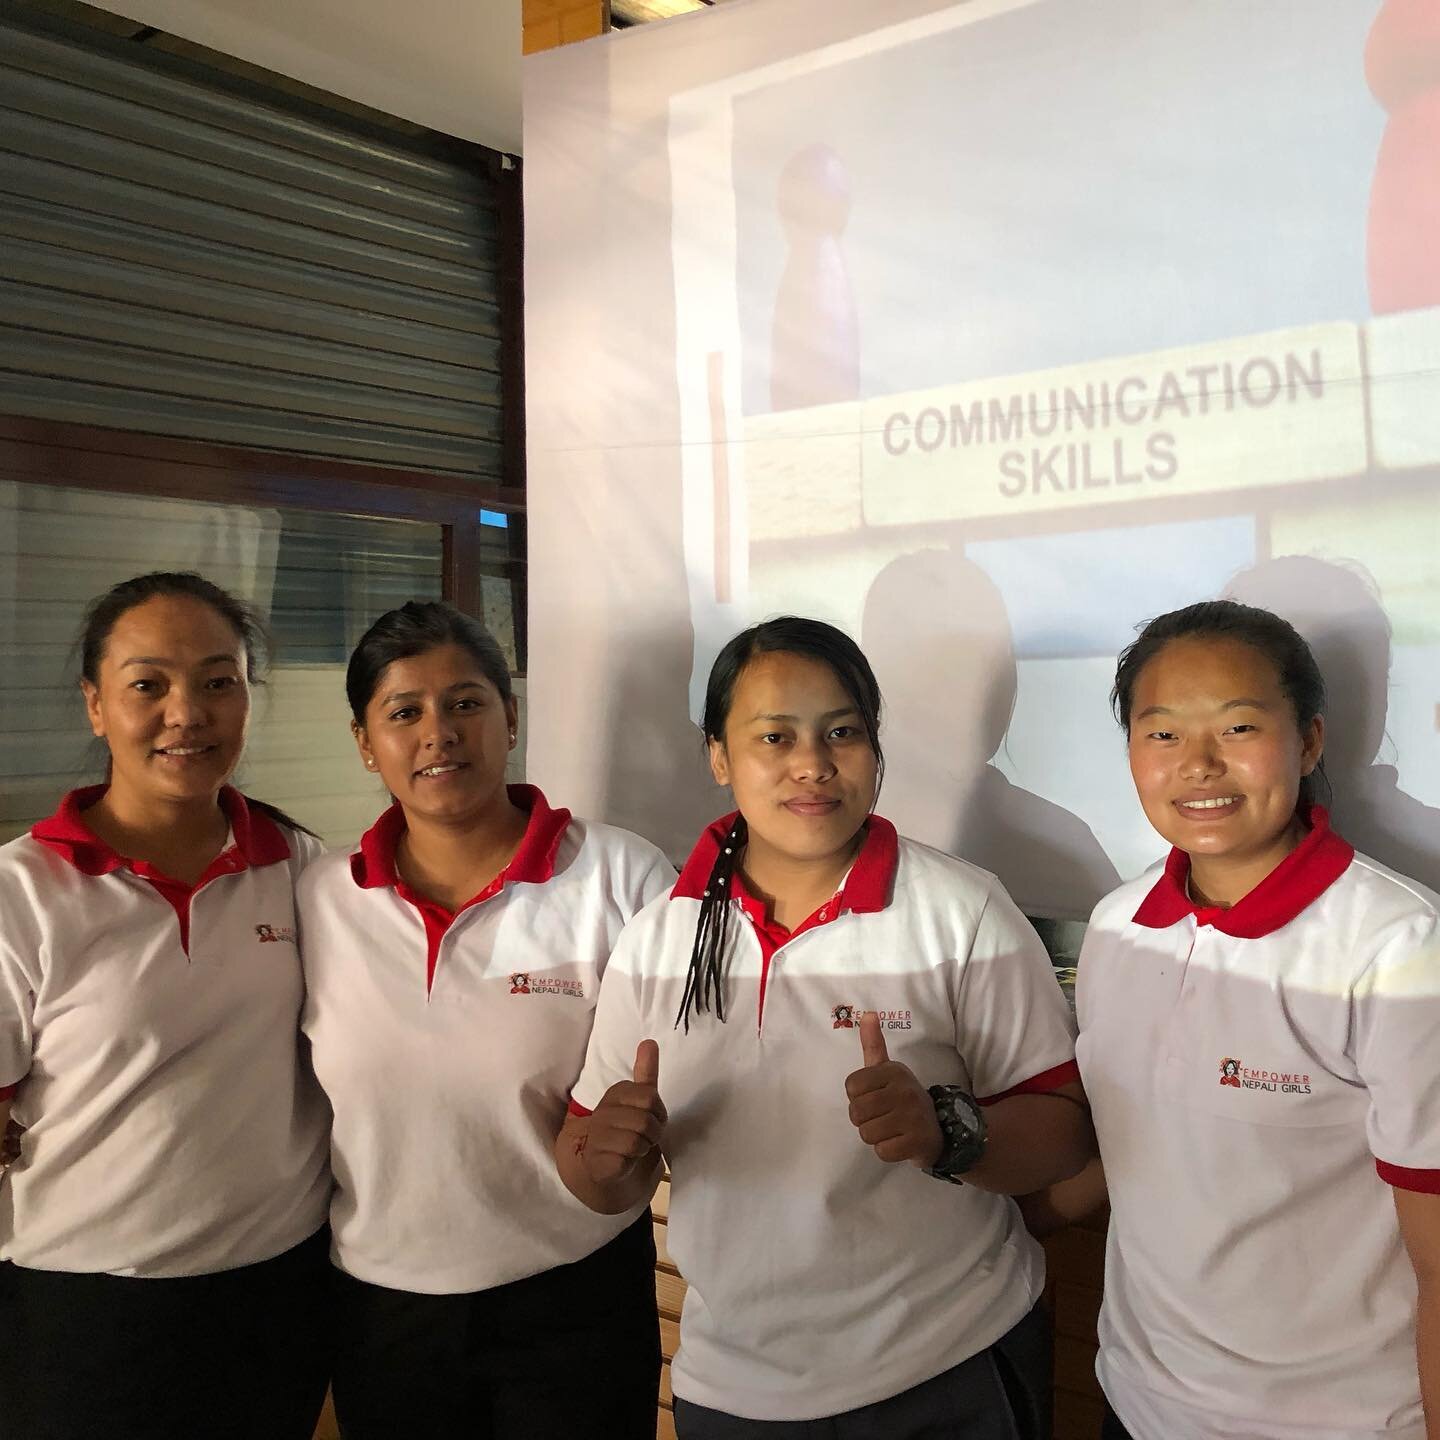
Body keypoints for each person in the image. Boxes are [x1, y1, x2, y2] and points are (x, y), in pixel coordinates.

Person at [557, 616, 1092, 1439]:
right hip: (733, 1388)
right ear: (719, 755)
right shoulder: (661, 934)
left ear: (876, 750)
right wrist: (607, 1162)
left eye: (842, 732)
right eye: (775, 736)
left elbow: (1060, 1133)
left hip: (945, 1367)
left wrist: (948, 1131)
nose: (812, 764)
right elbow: (596, 1169)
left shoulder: (963, 910)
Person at [298, 600, 674, 1440]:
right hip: (384, 1314)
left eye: (466, 702)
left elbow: (682, 1076)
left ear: (511, 718)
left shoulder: (618, 877)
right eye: (404, 712)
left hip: (572, 1301)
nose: (439, 732)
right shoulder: (317, 900)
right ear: (366, 742)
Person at [1069, 599, 1440, 1440]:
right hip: (1136, 1403)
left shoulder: (1400, 946)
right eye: (1162, 734)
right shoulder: (1117, 927)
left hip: (1336, 1424)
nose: (1198, 765)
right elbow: (1128, 1154)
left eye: (1237, 728)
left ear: (1308, 740)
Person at [0, 571, 332, 1440]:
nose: (188, 713)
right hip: (79, 1309)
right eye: (149, 684)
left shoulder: (300, 869)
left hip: (274, 1294)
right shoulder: (23, 892)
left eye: (219, 682)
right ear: (95, 705)